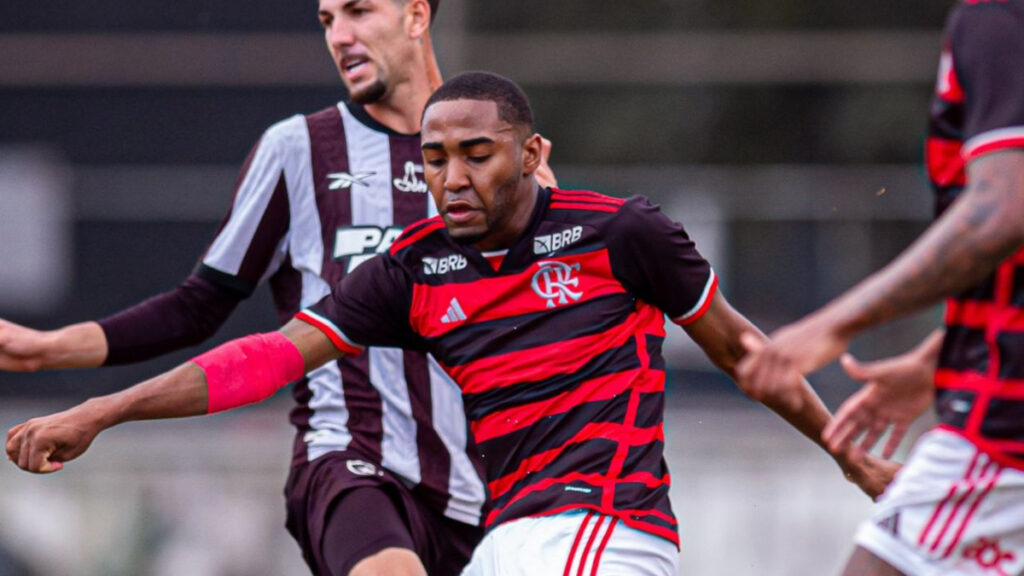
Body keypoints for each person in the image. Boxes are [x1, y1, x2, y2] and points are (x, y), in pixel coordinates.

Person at [7, 71, 894, 575]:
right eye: (434, 159)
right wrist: (101, 412)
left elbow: (745, 354)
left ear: (532, 153)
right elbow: (267, 359)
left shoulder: (622, 234)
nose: (453, 177)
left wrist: (844, 450)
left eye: (478, 153)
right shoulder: (414, 269)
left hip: (605, 527)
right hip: (507, 539)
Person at [0, 2, 561, 575]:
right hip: (351, 461)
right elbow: (200, 306)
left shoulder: (508, 169)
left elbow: (555, 328)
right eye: (327, 21)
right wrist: (43, 350)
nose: (341, 36)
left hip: (491, 487)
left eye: (359, 12)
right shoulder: (300, 149)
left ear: (416, 15)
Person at [736, 0, 1024, 574]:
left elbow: (1004, 209)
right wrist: (933, 358)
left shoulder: (997, 15)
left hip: (1004, 427)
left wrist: (835, 323)